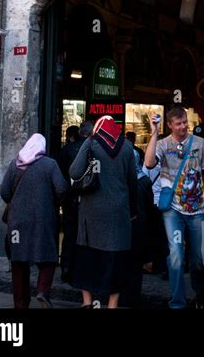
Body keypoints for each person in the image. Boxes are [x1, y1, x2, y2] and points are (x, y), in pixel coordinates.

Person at [145, 106, 204, 309]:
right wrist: (154, 132)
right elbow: (149, 163)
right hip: (173, 210)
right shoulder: (162, 144)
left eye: (185, 122)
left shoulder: (200, 143)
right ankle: (177, 302)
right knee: (176, 255)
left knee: (197, 259)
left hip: (197, 209)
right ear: (170, 125)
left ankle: (201, 297)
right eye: (178, 123)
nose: (183, 126)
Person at [69, 116, 138, 309]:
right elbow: (133, 181)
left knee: (88, 257)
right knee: (115, 260)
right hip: (118, 212)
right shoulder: (127, 148)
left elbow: (75, 172)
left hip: (92, 212)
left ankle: (87, 302)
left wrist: (88, 142)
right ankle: (112, 304)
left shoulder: (91, 143)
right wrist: (132, 210)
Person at [0, 133, 68, 309]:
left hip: (17, 221)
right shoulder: (50, 165)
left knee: (18, 261)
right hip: (42, 219)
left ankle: (20, 303)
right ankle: (43, 291)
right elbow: (61, 189)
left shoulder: (15, 164)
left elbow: (4, 192)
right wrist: (51, 203)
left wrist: (17, 204)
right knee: (48, 257)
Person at [58, 121, 93, 283]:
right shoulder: (93, 150)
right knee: (86, 235)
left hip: (70, 198)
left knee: (69, 233)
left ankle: (66, 265)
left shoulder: (65, 150)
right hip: (88, 198)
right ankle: (83, 269)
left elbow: (59, 177)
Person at [119, 149, 154, 308]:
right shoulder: (145, 181)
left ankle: (121, 296)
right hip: (140, 226)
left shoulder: (120, 180)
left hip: (122, 226)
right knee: (135, 264)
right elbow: (149, 207)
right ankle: (133, 297)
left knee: (122, 262)